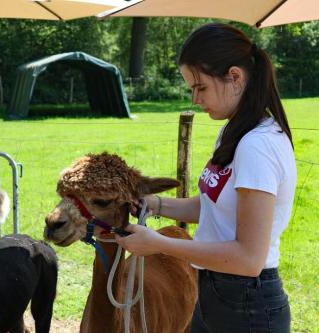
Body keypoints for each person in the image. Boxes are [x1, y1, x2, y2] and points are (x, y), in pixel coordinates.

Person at [116, 22, 296, 333]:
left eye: (200, 87)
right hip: (214, 291)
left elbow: (248, 258)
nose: (195, 100)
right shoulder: (233, 131)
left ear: (235, 77)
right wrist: (155, 204)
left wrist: (158, 244)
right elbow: (215, 207)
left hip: (247, 307)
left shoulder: (258, 144)